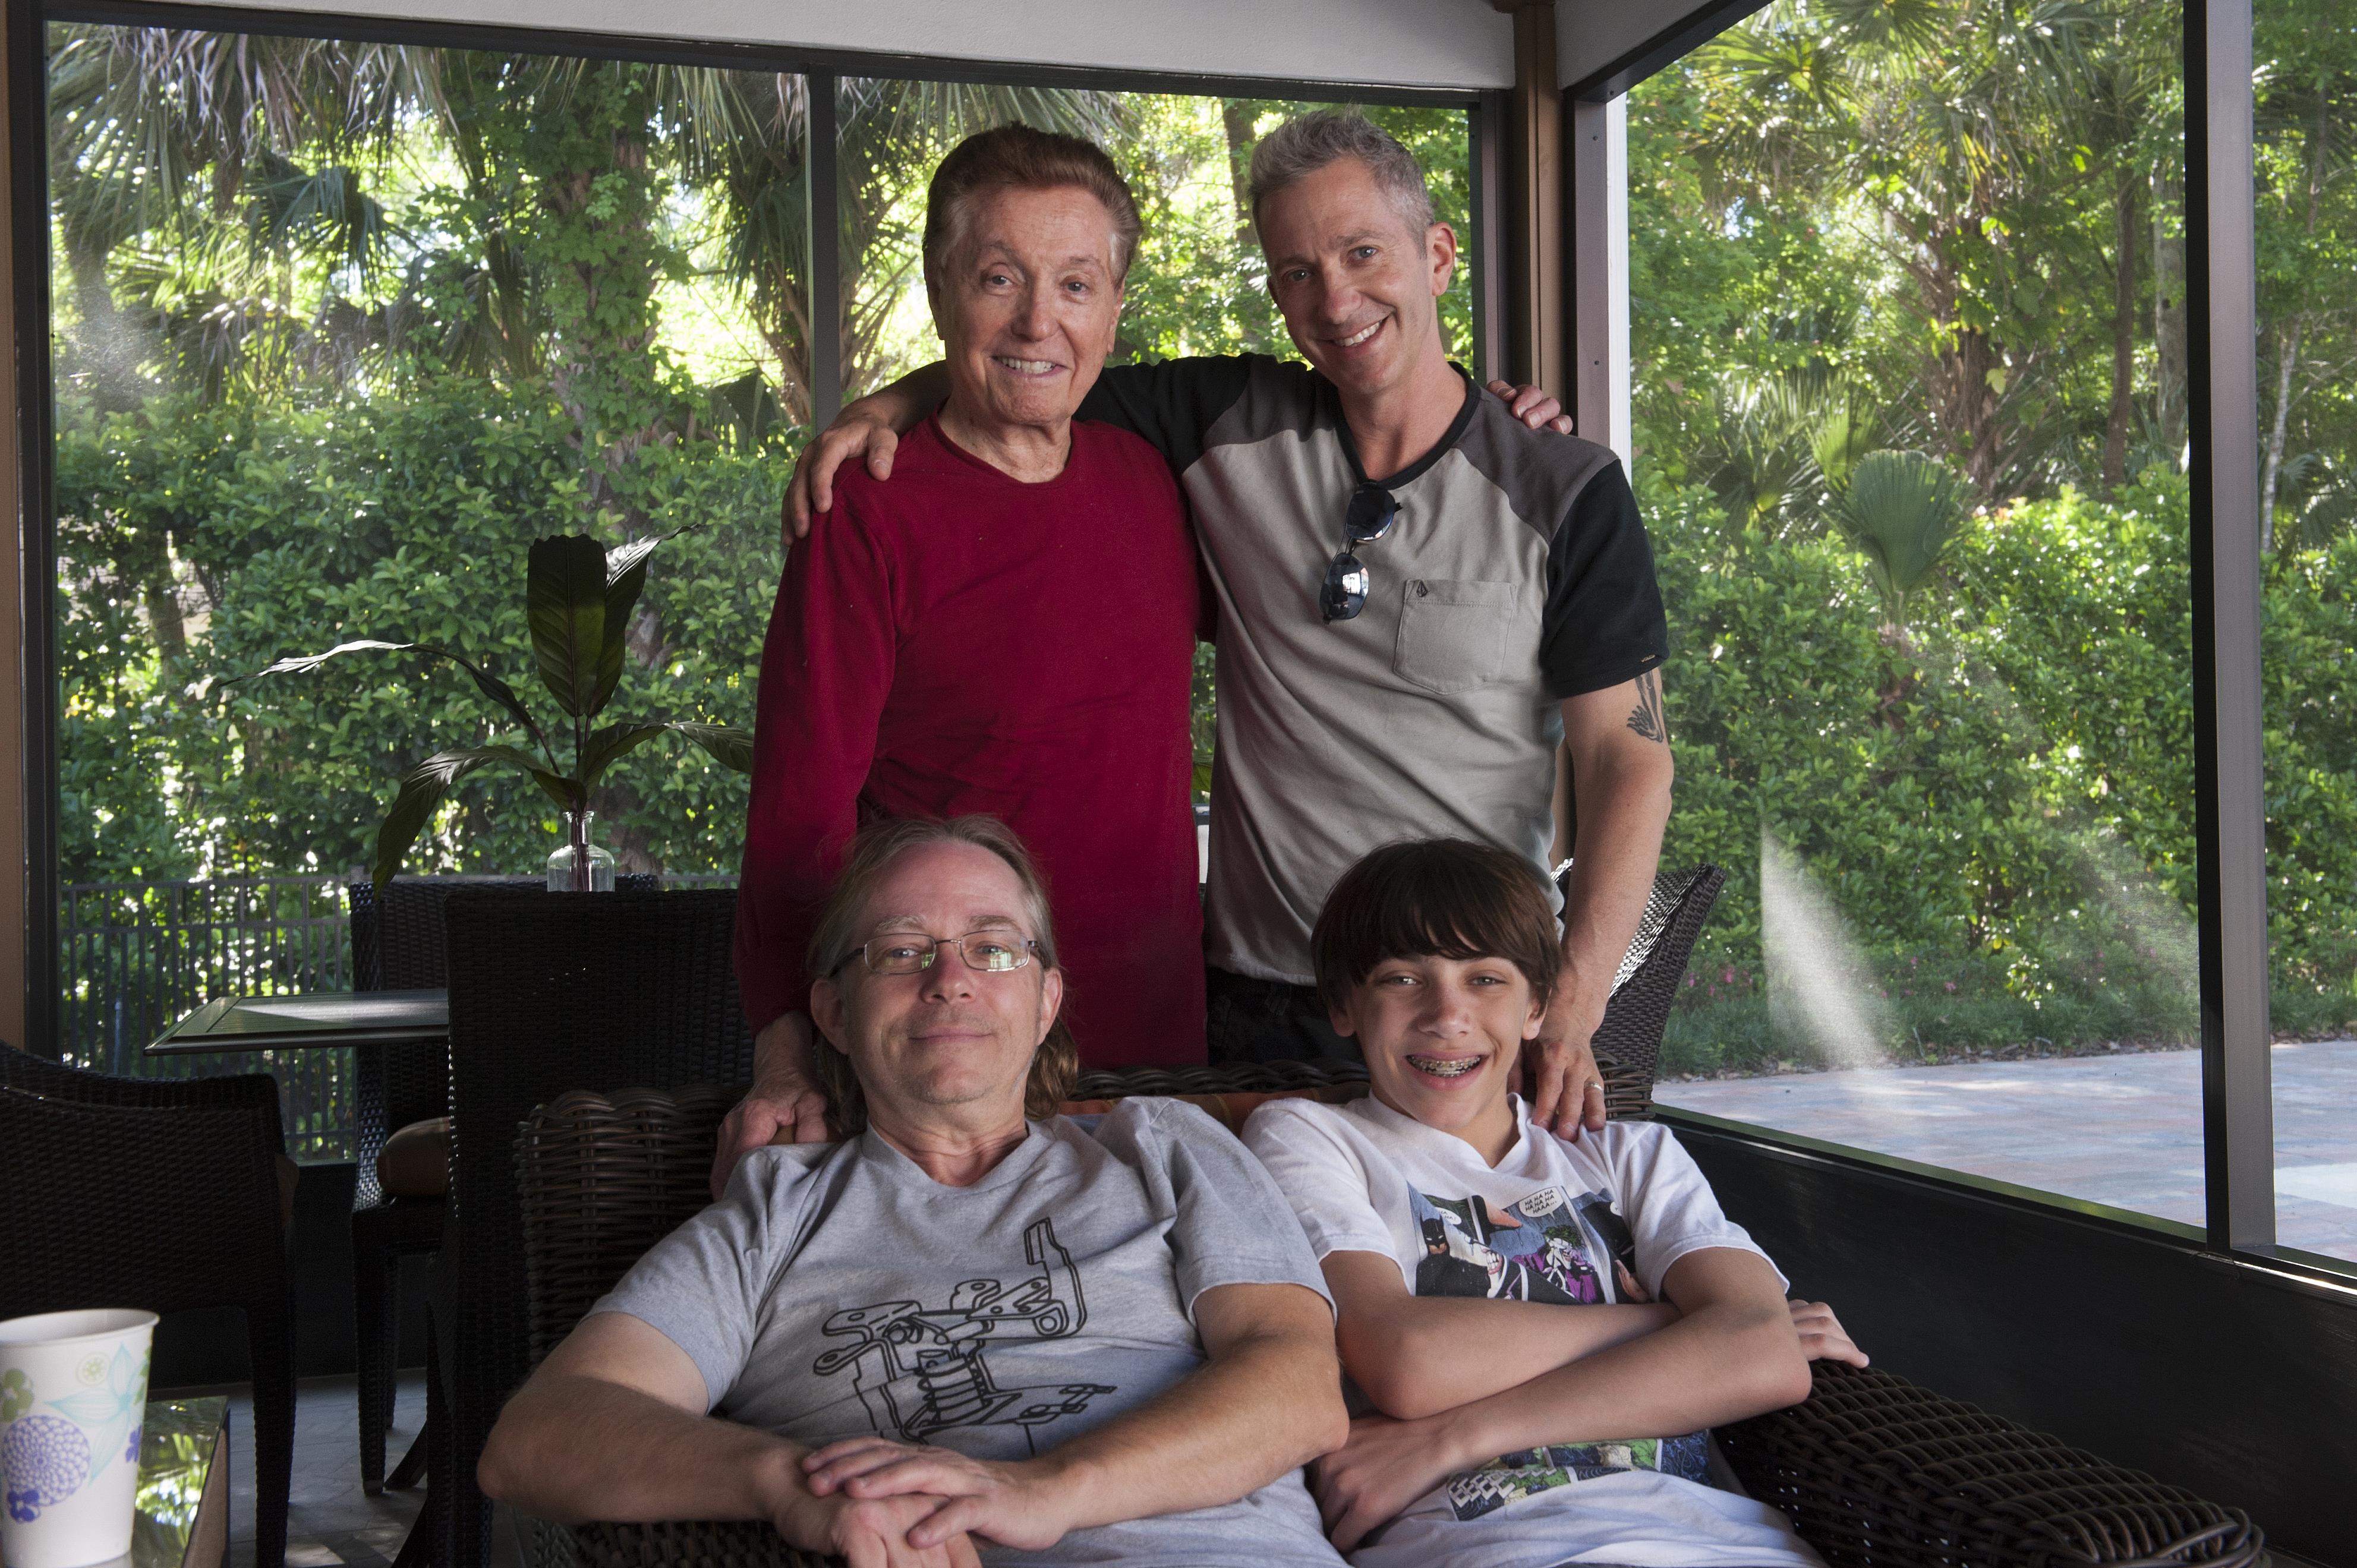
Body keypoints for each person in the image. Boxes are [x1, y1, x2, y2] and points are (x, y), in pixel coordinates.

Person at [780, 109, 1672, 1150]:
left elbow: (1631, 763)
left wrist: (1569, 1004)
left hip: (1456, 1005)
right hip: (1244, 1002)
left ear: (1436, 254)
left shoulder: (1565, 488)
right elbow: (1034, 364)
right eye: (1296, 271)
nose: (1335, 300)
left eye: (1363, 254)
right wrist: (884, 405)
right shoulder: (1221, 427)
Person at [481, 814, 1351, 1568]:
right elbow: (539, 1436)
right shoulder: (775, 1212)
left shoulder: (1163, 1147)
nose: (950, 977)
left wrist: (1046, 1487)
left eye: (993, 946)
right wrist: (793, 1484)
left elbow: (1299, 1384)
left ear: (1045, 998)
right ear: (831, 1011)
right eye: (901, 950)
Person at [730, 124, 1209, 1173]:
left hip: (1159, 1046)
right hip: (945, 1055)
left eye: (1077, 284)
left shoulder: (1157, 486)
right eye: (1000, 278)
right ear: (942, 291)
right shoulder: (868, 509)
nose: (1041, 318)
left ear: (1116, 306)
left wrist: (1494, 414)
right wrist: (782, 1052)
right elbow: (796, 810)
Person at [1240, 839, 1867, 1566]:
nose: (1448, 1015)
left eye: (1485, 979)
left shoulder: (1631, 1154)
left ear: (1538, 1006)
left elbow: (1765, 1353)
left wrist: (1456, 1433)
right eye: (1404, 978)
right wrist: (1679, 1321)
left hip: (1719, 1540)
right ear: (1344, 1003)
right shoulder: (1313, 1137)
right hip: (1493, 1544)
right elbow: (1406, 1359)